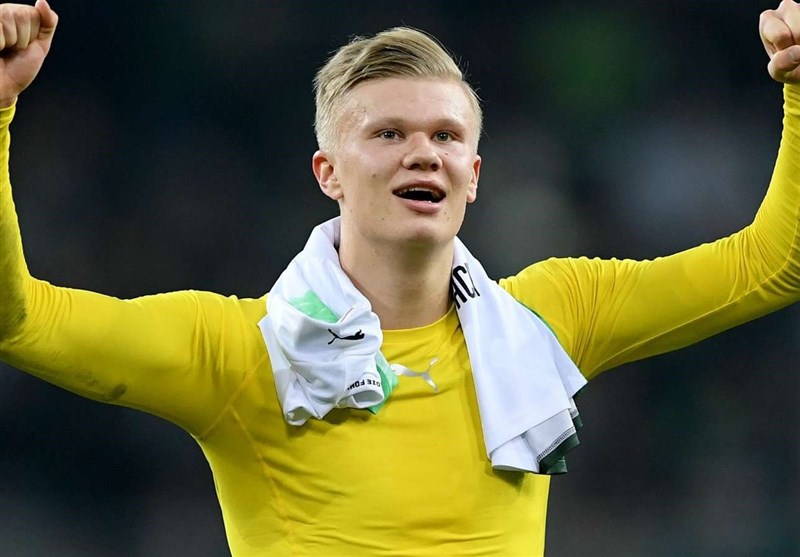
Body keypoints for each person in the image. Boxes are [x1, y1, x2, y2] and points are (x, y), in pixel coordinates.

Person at [1, 0, 799, 555]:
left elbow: (774, 264)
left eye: (446, 136)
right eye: (388, 133)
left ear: (474, 175)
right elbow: (20, 320)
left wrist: (797, 91)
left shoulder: (550, 318)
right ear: (327, 172)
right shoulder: (240, 353)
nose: (424, 152)